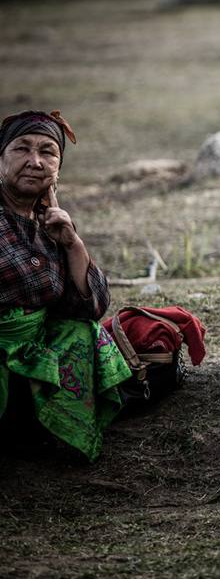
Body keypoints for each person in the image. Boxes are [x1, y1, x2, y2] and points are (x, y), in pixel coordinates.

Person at [0, 111, 130, 462]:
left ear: (58, 167)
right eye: (21, 149)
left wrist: (72, 243)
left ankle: (57, 432)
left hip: (32, 354)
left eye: (48, 152)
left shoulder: (49, 221)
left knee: (82, 331)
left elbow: (90, 309)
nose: (35, 161)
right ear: (1, 157)